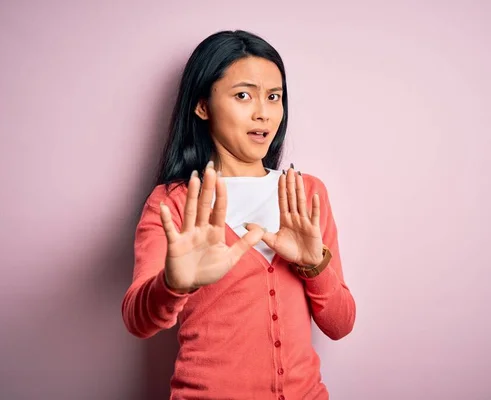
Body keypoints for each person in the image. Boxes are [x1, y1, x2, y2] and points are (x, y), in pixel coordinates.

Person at [121, 29, 356, 400]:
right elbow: (137, 319)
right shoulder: (175, 201)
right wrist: (173, 284)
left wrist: (315, 265)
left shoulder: (307, 194)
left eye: (274, 97)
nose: (263, 112)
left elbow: (341, 324)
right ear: (202, 106)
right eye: (243, 95)